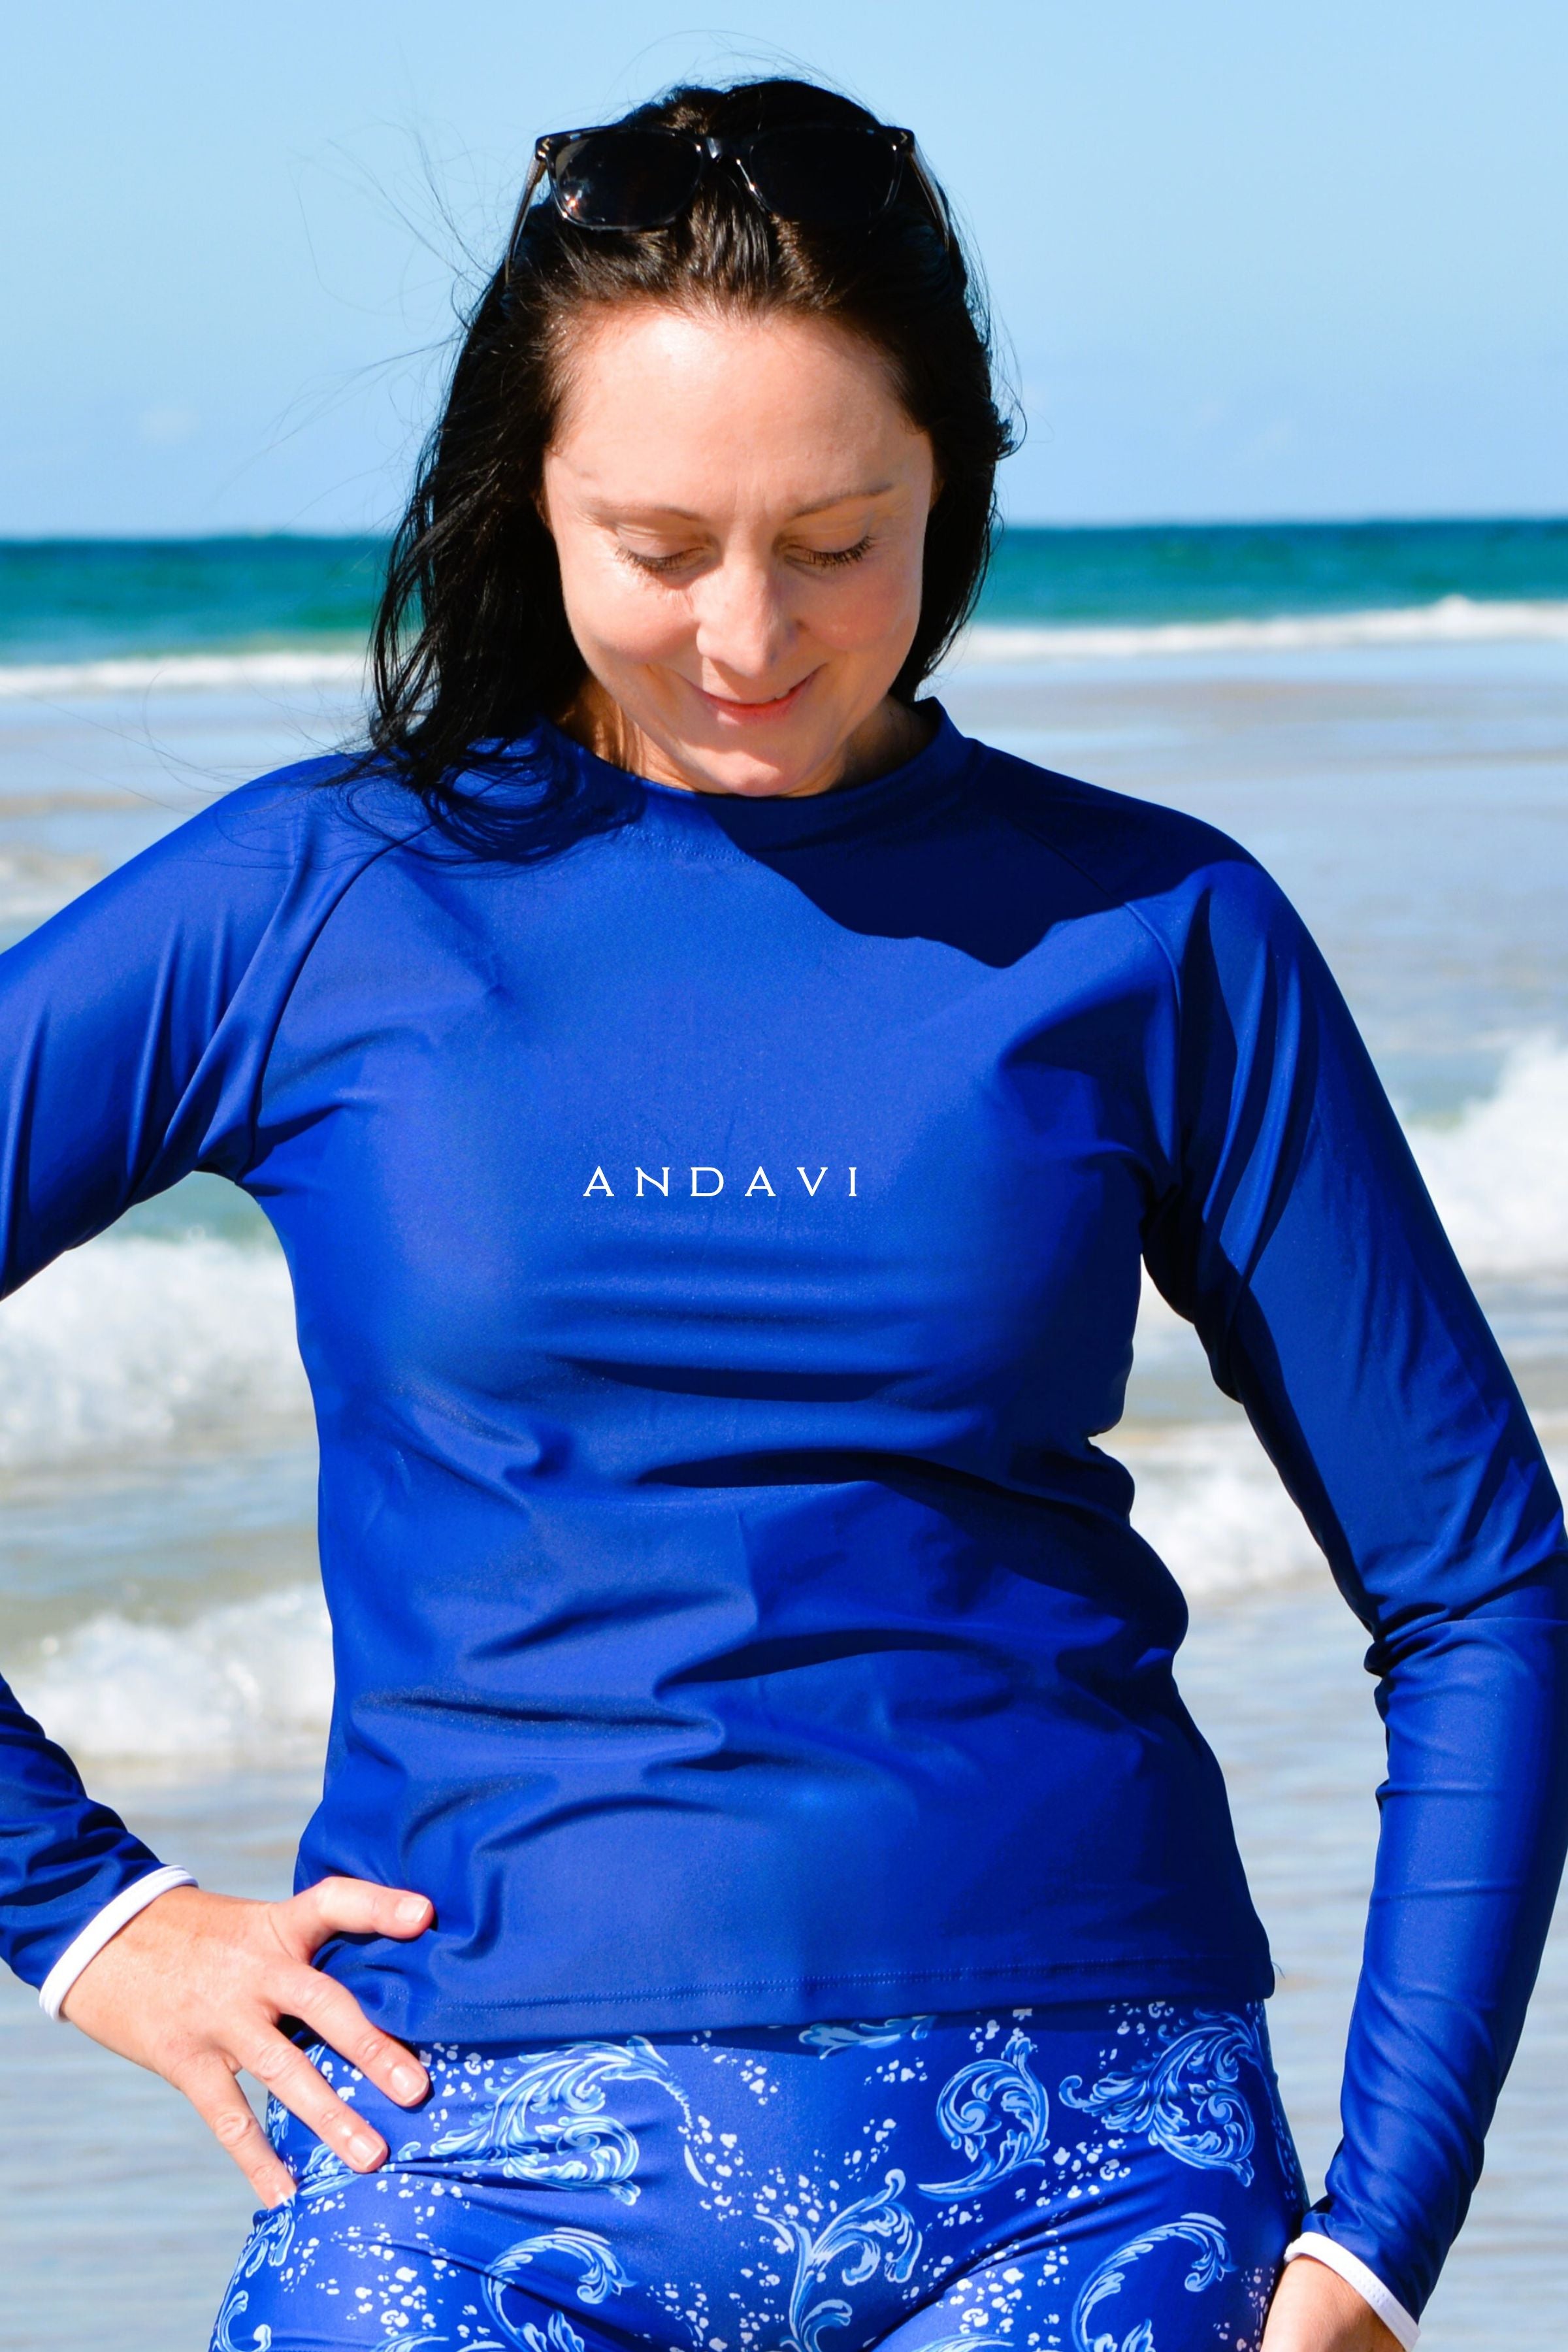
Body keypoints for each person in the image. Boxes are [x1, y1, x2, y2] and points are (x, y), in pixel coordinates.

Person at [0, 74, 1563, 2352]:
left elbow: (1482, 1581)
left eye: (838, 540)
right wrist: (88, 1920)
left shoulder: (1150, 926)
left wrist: (1377, 2248)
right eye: (656, 545)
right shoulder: (319, 903)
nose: (748, 635)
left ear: (960, 490)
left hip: (1091, 2177)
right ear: (522, 503)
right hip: (456, 2174)